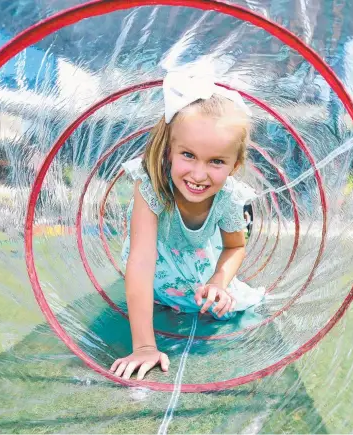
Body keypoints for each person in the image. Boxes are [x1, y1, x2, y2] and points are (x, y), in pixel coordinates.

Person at [110, 71, 265, 380]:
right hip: (157, 258)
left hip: (198, 258)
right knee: (160, 290)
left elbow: (235, 246)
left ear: (235, 165)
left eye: (216, 161)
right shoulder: (151, 186)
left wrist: (219, 283)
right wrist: (143, 347)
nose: (198, 174)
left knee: (222, 303)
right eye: (188, 155)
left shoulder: (230, 198)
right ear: (170, 151)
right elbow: (141, 261)